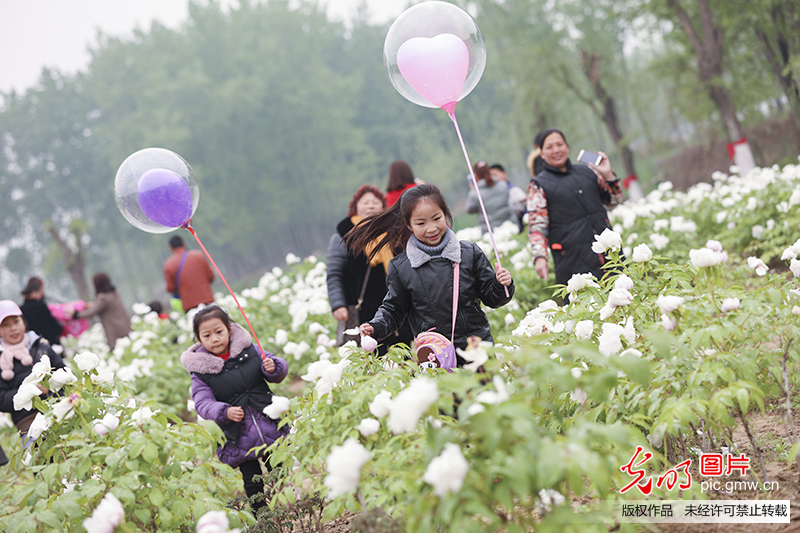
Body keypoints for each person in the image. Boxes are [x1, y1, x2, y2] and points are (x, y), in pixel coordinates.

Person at [345, 184, 514, 364]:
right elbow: (394, 308)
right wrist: (375, 326)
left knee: (485, 392)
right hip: (435, 356)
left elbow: (492, 298)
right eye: (421, 223)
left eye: (436, 218)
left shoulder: (469, 253)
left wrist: (501, 284)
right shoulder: (402, 267)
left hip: (477, 350)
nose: (431, 228)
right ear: (408, 224)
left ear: (446, 214)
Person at [180, 305, 288, 513]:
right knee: (252, 479)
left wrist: (274, 367)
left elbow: (275, 367)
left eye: (219, 332)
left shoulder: (250, 350)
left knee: (278, 467)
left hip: (266, 418)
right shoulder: (200, 370)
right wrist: (223, 411)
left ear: (229, 329)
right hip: (237, 431)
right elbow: (202, 402)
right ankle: (262, 516)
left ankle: (289, 507)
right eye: (207, 335)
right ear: (198, 339)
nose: (214, 338)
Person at [527, 128, 623, 287]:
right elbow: (537, 226)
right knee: (585, 307)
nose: (556, 150)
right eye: (549, 147)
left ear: (567, 147)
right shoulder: (538, 185)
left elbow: (614, 200)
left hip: (609, 253)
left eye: (560, 144)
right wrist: (540, 257)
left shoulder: (588, 171)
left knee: (623, 300)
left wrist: (608, 175)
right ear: (541, 154)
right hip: (572, 259)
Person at [326, 185, 413, 351]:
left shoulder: (394, 231)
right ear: (355, 207)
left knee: (402, 353)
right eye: (365, 202)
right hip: (362, 310)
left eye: (375, 202)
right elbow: (334, 274)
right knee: (372, 356)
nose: (370, 206)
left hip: (396, 306)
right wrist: (338, 304)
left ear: (383, 206)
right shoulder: (344, 235)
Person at [0, 300, 65, 449]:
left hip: (57, 410)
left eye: (16, 322)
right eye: (5, 325)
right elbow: (1, 399)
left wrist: (50, 386)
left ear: (24, 322)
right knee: (41, 463)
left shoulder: (42, 347)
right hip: (28, 422)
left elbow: (64, 373)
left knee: (72, 456)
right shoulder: (1, 360)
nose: (13, 329)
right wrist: (28, 392)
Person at [75, 273, 131, 350]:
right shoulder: (115, 292)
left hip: (115, 329)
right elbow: (101, 306)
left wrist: (77, 314)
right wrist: (94, 304)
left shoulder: (103, 298)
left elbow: (92, 312)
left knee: (118, 350)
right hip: (125, 325)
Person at [164, 235, 215, 313]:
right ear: (184, 243)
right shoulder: (199, 255)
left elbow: (170, 288)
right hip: (208, 300)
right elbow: (211, 276)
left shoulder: (168, 264)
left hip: (189, 306)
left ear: (170, 248)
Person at [465, 161, 517, 235]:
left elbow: (469, 210)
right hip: (510, 227)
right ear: (490, 172)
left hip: (490, 232)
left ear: (475, 176)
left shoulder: (475, 194)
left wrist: (473, 189)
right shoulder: (503, 185)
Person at [19, 277, 63, 346]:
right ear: (38, 290)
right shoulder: (41, 306)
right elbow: (55, 328)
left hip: (33, 347)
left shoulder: (21, 310)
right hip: (51, 346)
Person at [489, 163, 527, 230]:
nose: (494, 179)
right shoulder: (493, 194)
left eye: (495, 175)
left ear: (504, 174)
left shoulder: (514, 190)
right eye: (491, 176)